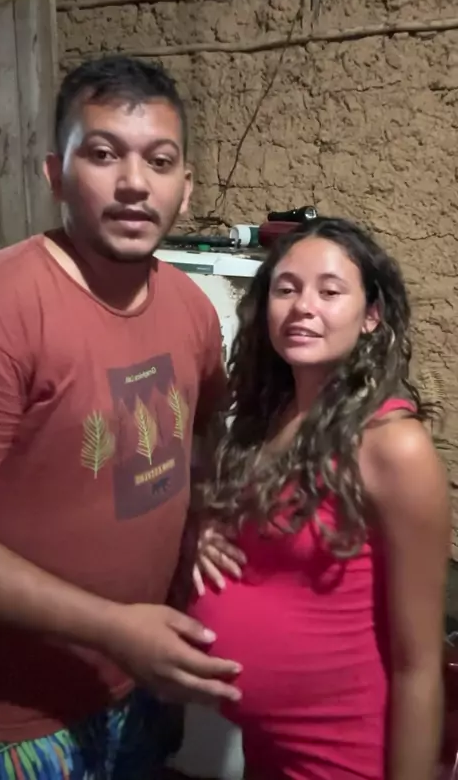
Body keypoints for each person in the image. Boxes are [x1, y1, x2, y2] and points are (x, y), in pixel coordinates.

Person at [0, 55, 242, 779]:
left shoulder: (191, 307)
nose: (134, 183)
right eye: (102, 154)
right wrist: (115, 629)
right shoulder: (1, 309)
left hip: (142, 686)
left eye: (159, 161)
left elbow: (202, 437)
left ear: (185, 187)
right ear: (55, 175)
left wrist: (203, 516)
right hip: (16, 722)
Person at [190, 216, 449, 780]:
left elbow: (419, 665)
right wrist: (206, 531)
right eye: (286, 289)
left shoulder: (393, 447)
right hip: (266, 753)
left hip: (344, 756)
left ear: (371, 315)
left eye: (330, 292)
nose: (303, 307)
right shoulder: (268, 421)